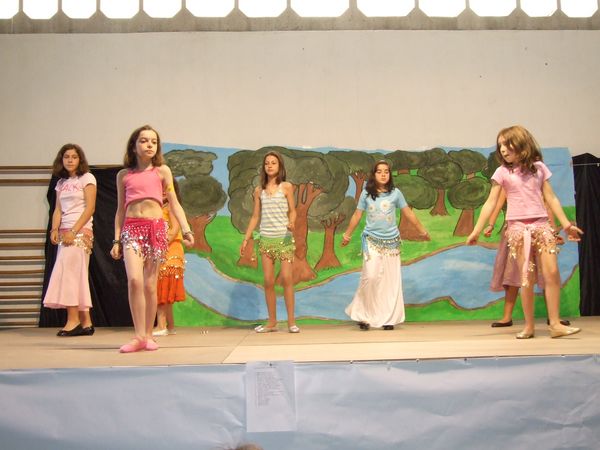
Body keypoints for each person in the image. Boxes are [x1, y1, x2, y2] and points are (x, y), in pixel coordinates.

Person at [467, 125, 582, 339]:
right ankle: (529, 326)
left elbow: (551, 197)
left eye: (507, 144)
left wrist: (566, 224)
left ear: (521, 144)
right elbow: (490, 202)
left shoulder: (538, 168)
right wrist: (476, 230)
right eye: (500, 145)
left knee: (552, 272)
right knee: (526, 277)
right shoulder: (502, 172)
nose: (503, 149)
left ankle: (555, 324)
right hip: (518, 229)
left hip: (541, 225)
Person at [110, 125, 194, 353]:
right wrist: (116, 240)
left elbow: (174, 204)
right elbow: (120, 210)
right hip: (131, 229)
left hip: (155, 229)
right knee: (134, 280)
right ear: (133, 146)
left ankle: (147, 335)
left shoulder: (162, 171)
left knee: (149, 284)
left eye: (153, 142)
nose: (149, 145)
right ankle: (138, 335)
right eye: (144, 141)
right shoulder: (124, 175)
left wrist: (186, 230)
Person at [341, 160, 429, 331]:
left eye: (386, 171)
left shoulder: (396, 193)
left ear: (389, 174)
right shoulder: (366, 194)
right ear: (374, 174)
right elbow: (357, 215)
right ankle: (363, 315)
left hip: (392, 243)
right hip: (372, 241)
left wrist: (422, 231)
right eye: (379, 171)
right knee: (370, 277)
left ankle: (389, 318)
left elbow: (408, 213)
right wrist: (347, 235)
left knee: (390, 281)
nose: (383, 174)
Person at [484, 188, 570, 328]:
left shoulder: (539, 184)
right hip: (516, 232)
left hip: (540, 231)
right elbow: (498, 203)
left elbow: (548, 207)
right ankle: (507, 316)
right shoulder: (509, 182)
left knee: (547, 273)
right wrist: (490, 224)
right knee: (513, 273)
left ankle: (554, 317)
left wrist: (553, 233)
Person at [240, 151, 298, 333]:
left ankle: (291, 322)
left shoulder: (286, 187)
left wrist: (292, 222)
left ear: (280, 166)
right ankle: (272, 322)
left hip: (284, 239)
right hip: (266, 239)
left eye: (273, 163)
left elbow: (293, 210)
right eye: (267, 163)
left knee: (287, 278)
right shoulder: (259, 191)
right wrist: (246, 238)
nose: (270, 166)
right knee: (268, 280)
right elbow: (255, 216)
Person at [43, 144, 97, 336]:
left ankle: (73, 321)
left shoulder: (87, 178)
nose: (70, 160)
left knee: (69, 275)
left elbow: (90, 208)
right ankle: (86, 323)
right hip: (64, 232)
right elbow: (58, 209)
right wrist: (54, 229)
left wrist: (74, 231)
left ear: (80, 160)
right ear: (61, 159)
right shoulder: (61, 183)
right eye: (66, 156)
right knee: (75, 275)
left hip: (80, 231)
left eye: (74, 157)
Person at [153, 180, 186, 337]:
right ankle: (170, 327)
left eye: (166, 188)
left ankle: (161, 326)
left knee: (162, 289)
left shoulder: (172, 207)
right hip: (160, 250)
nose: (163, 191)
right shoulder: (154, 209)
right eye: (159, 188)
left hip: (170, 250)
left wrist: (160, 246)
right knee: (162, 289)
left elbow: (174, 230)